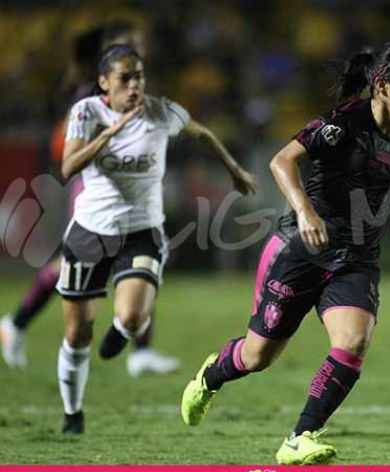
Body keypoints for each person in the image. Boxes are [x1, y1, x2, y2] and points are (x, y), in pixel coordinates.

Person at [181, 42, 390, 464]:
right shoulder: (343, 124)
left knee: (354, 341)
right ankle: (210, 377)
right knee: (257, 356)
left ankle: (300, 437)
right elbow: (283, 161)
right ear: (381, 85)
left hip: (355, 259)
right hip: (300, 250)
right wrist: (305, 212)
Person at [56, 44, 257, 434]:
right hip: (88, 232)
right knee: (77, 333)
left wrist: (233, 169)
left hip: (141, 231)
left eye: (139, 77)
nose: (134, 86)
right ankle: (72, 412)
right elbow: (68, 167)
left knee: (133, 315)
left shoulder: (160, 110)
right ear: (104, 83)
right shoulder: (86, 113)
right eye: (124, 78)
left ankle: (122, 332)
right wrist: (108, 135)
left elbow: (202, 134)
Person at [1, 21, 180, 376]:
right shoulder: (91, 94)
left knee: (140, 257)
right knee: (88, 263)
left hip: (125, 188)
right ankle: (16, 322)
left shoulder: (127, 84)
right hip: (97, 189)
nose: (140, 46)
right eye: (134, 41)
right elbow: (68, 144)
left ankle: (141, 349)